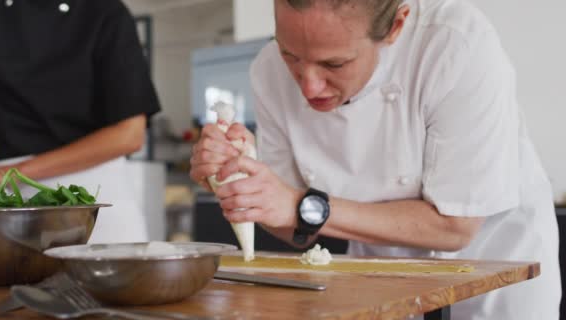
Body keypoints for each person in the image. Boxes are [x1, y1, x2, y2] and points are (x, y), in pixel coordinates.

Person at [189, 0, 561, 318]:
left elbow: (455, 227)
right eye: (291, 55)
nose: (308, 85)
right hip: (378, 273)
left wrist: (300, 206)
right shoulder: (267, 71)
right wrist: (241, 185)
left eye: (334, 64)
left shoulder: (453, 45)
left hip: (496, 274)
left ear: (397, 25)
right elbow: (297, 228)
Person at [0, 0, 161, 243]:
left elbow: (128, 135)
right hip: (9, 203)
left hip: (95, 199)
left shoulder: (106, 12)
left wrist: (15, 173)